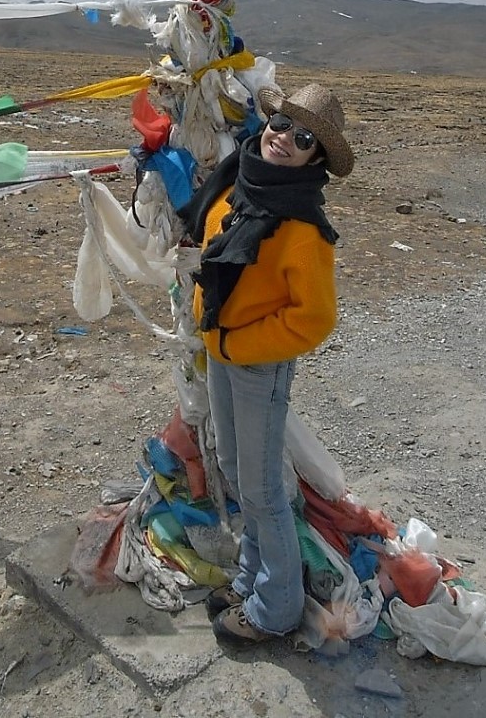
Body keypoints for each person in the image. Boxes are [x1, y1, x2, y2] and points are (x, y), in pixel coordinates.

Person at [178, 82, 354, 646]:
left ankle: (276, 608)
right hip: (225, 350)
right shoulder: (242, 180)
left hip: (257, 362)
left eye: (304, 138)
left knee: (261, 488)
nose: (283, 139)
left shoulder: (301, 227)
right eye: (281, 125)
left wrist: (241, 344)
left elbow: (314, 320)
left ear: (315, 158)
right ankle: (255, 577)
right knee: (234, 466)